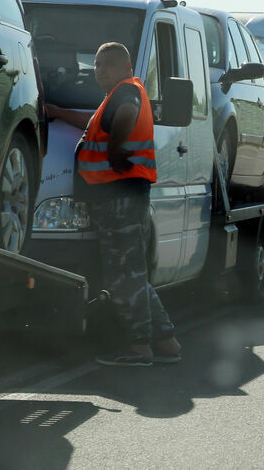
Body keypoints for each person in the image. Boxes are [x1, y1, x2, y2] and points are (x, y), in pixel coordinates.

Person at [45, 42, 182, 367]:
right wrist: (60, 112)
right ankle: (167, 342)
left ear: (126, 66)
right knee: (135, 274)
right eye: (96, 64)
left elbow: (126, 115)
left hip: (118, 197)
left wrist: (118, 149)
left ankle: (139, 349)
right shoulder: (119, 94)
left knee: (123, 276)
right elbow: (95, 124)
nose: (100, 69)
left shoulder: (125, 94)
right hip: (124, 196)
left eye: (107, 63)